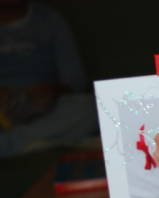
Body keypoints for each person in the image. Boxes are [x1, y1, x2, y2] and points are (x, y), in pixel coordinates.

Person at [0, 0, 96, 157]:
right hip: (3, 110)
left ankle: (17, 141)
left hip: (42, 107)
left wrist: (52, 91)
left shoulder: (49, 19)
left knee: (90, 107)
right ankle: (39, 140)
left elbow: (75, 81)